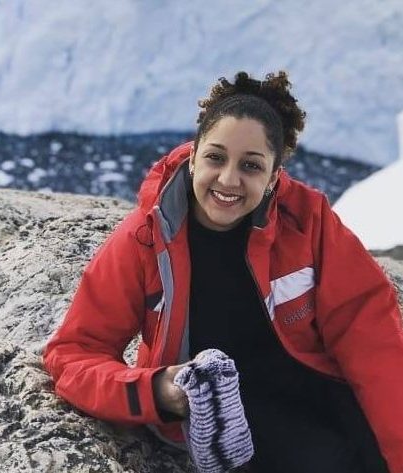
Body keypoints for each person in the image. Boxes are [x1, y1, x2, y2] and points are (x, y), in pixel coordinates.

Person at [43, 71, 403, 473]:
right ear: (193, 157)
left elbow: (370, 336)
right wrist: (158, 391)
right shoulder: (146, 237)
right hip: (226, 416)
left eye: (251, 165)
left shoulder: (308, 221)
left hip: (315, 395)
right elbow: (73, 354)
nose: (229, 179)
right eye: (215, 157)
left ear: (274, 177)